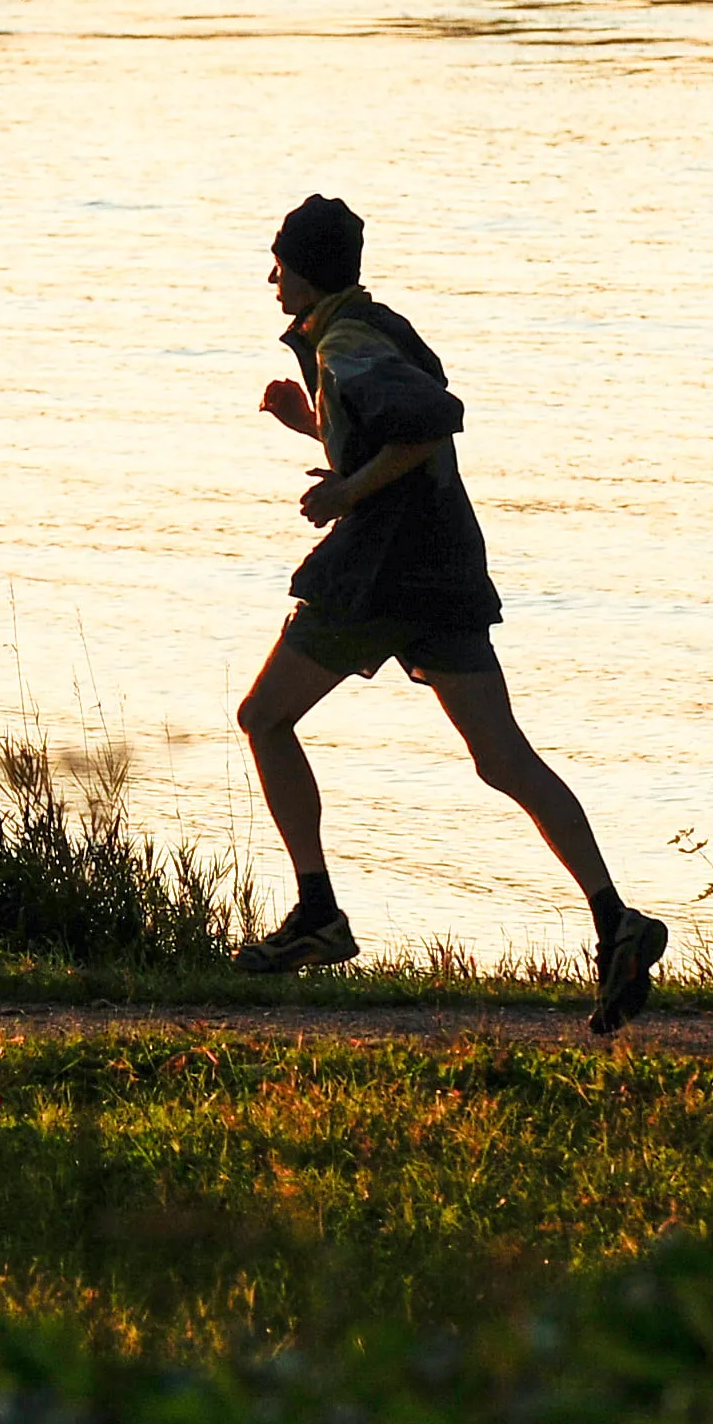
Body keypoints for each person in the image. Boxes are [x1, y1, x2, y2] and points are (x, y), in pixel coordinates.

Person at [233, 192, 667, 1036]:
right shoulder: (374, 327)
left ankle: (318, 914)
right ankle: (616, 918)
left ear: (304, 268)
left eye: (278, 261)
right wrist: (311, 424)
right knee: (502, 757)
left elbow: (431, 422)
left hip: (379, 575)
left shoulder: (350, 339)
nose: (271, 276)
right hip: (442, 570)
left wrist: (345, 492)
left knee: (263, 717)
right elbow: (391, 428)